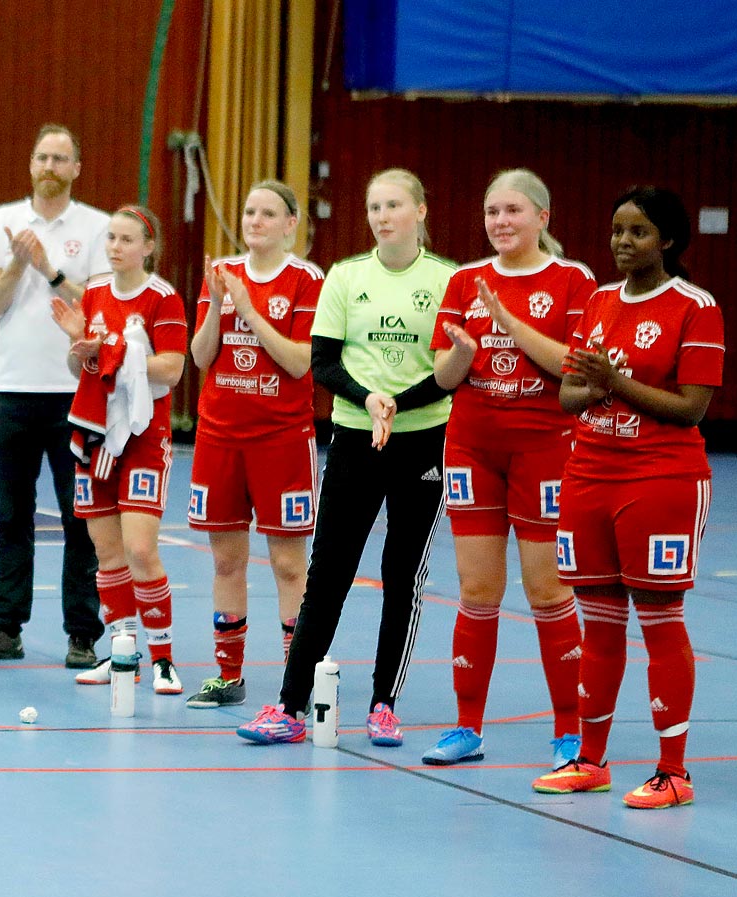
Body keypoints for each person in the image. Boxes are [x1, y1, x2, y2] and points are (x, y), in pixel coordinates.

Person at [514, 187, 720, 809]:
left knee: (659, 621)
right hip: (589, 476)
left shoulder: (694, 306)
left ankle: (673, 771)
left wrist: (615, 382)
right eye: (616, 231)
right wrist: (596, 385)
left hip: (660, 479)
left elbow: (691, 408)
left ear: (669, 241)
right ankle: (590, 760)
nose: (623, 243)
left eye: (638, 232)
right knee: (598, 623)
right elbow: (568, 396)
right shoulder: (599, 302)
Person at [238, 168, 456, 746]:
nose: (382, 216)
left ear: (420, 212)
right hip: (356, 438)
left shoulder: (446, 280)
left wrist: (398, 406)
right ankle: (288, 707)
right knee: (327, 574)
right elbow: (326, 362)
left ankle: (384, 704)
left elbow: (449, 373)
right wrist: (371, 400)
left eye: (393, 205)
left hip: (421, 442)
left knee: (401, 576)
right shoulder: (345, 276)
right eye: (374, 206)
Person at [420, 170, 596, 767]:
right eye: (491, 211)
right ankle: (467, 726)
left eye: (513, 210)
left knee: (548, 591)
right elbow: (442, 375)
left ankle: (569, 731)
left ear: (543, 218)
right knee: (476, 589)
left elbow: (574, 367)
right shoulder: (464, 279)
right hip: (472, 446)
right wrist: (463, 355)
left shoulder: (574, 281)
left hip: (546, 449)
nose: (499, 222)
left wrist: (510, 326)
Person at [0, 125, 110, 668]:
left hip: (77, 394)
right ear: (30, 164)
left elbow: (100, 307)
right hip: (12, 392)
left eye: (61, 157)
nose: (50, 164)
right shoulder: (1, 223)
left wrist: (49, 268)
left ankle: (83, 633)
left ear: (76, 168)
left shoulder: (98, 227)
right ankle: (5, 627)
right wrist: (19, 263)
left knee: (80, 518)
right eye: (42, 155)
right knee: (12, 516)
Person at [183, 180, 324, 708]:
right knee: (225, 561)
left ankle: (295, 680)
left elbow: (299, 361)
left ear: (291, 224)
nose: (254, 221)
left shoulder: (307, 279)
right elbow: (200, 357)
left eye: (268, 213)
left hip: (281, 440)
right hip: (220, 436)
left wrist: (249, 308)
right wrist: (220, 306)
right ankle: (228, 674)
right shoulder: (221, 275)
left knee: (289, 565)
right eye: (248, 212)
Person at [51, 205, 187, 694]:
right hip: (96, 434)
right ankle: (123, 650)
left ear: (148, 247)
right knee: (106, 551)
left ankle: (164, 659)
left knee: (140, 548)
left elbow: (171, 369)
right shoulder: (94, 292)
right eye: (111, 237)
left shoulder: (163, 298)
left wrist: (110, 352)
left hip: (142, 436)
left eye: (127, 240)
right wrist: (80, 350)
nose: (115, 247)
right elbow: (82, 371)